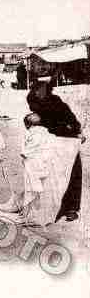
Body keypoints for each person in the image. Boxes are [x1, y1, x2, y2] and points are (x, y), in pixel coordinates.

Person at [26, 80, 85, 221]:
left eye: (42, 90)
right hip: (51, 141)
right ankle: (55, 206)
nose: (38, 92)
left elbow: (70, 117)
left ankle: (71, 208)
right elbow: (34, 120)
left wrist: (77, 131)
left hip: (66, 139)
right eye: (37, 90)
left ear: (47, 91)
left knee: (72, 171)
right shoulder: (34, 101)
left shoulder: (56, 102)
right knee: (51, 174)